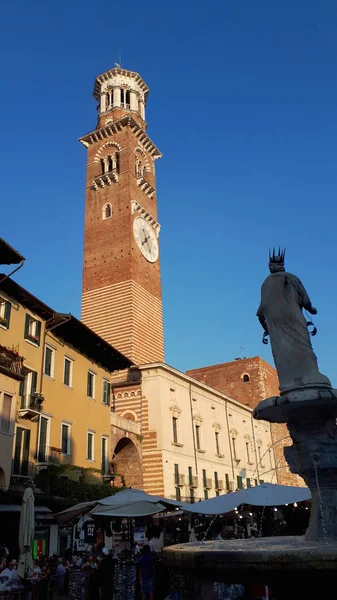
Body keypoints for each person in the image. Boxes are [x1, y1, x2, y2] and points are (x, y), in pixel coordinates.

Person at [257, 248, 331, 393]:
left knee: (282, 350)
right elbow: (305, 298)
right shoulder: (291, 277)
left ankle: (287, 381)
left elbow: (260, 311)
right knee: (301, 344)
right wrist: (311, 309)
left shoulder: (265, 284)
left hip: (275, 324)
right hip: (293, 317)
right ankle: (311, 375)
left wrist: (266, 327)